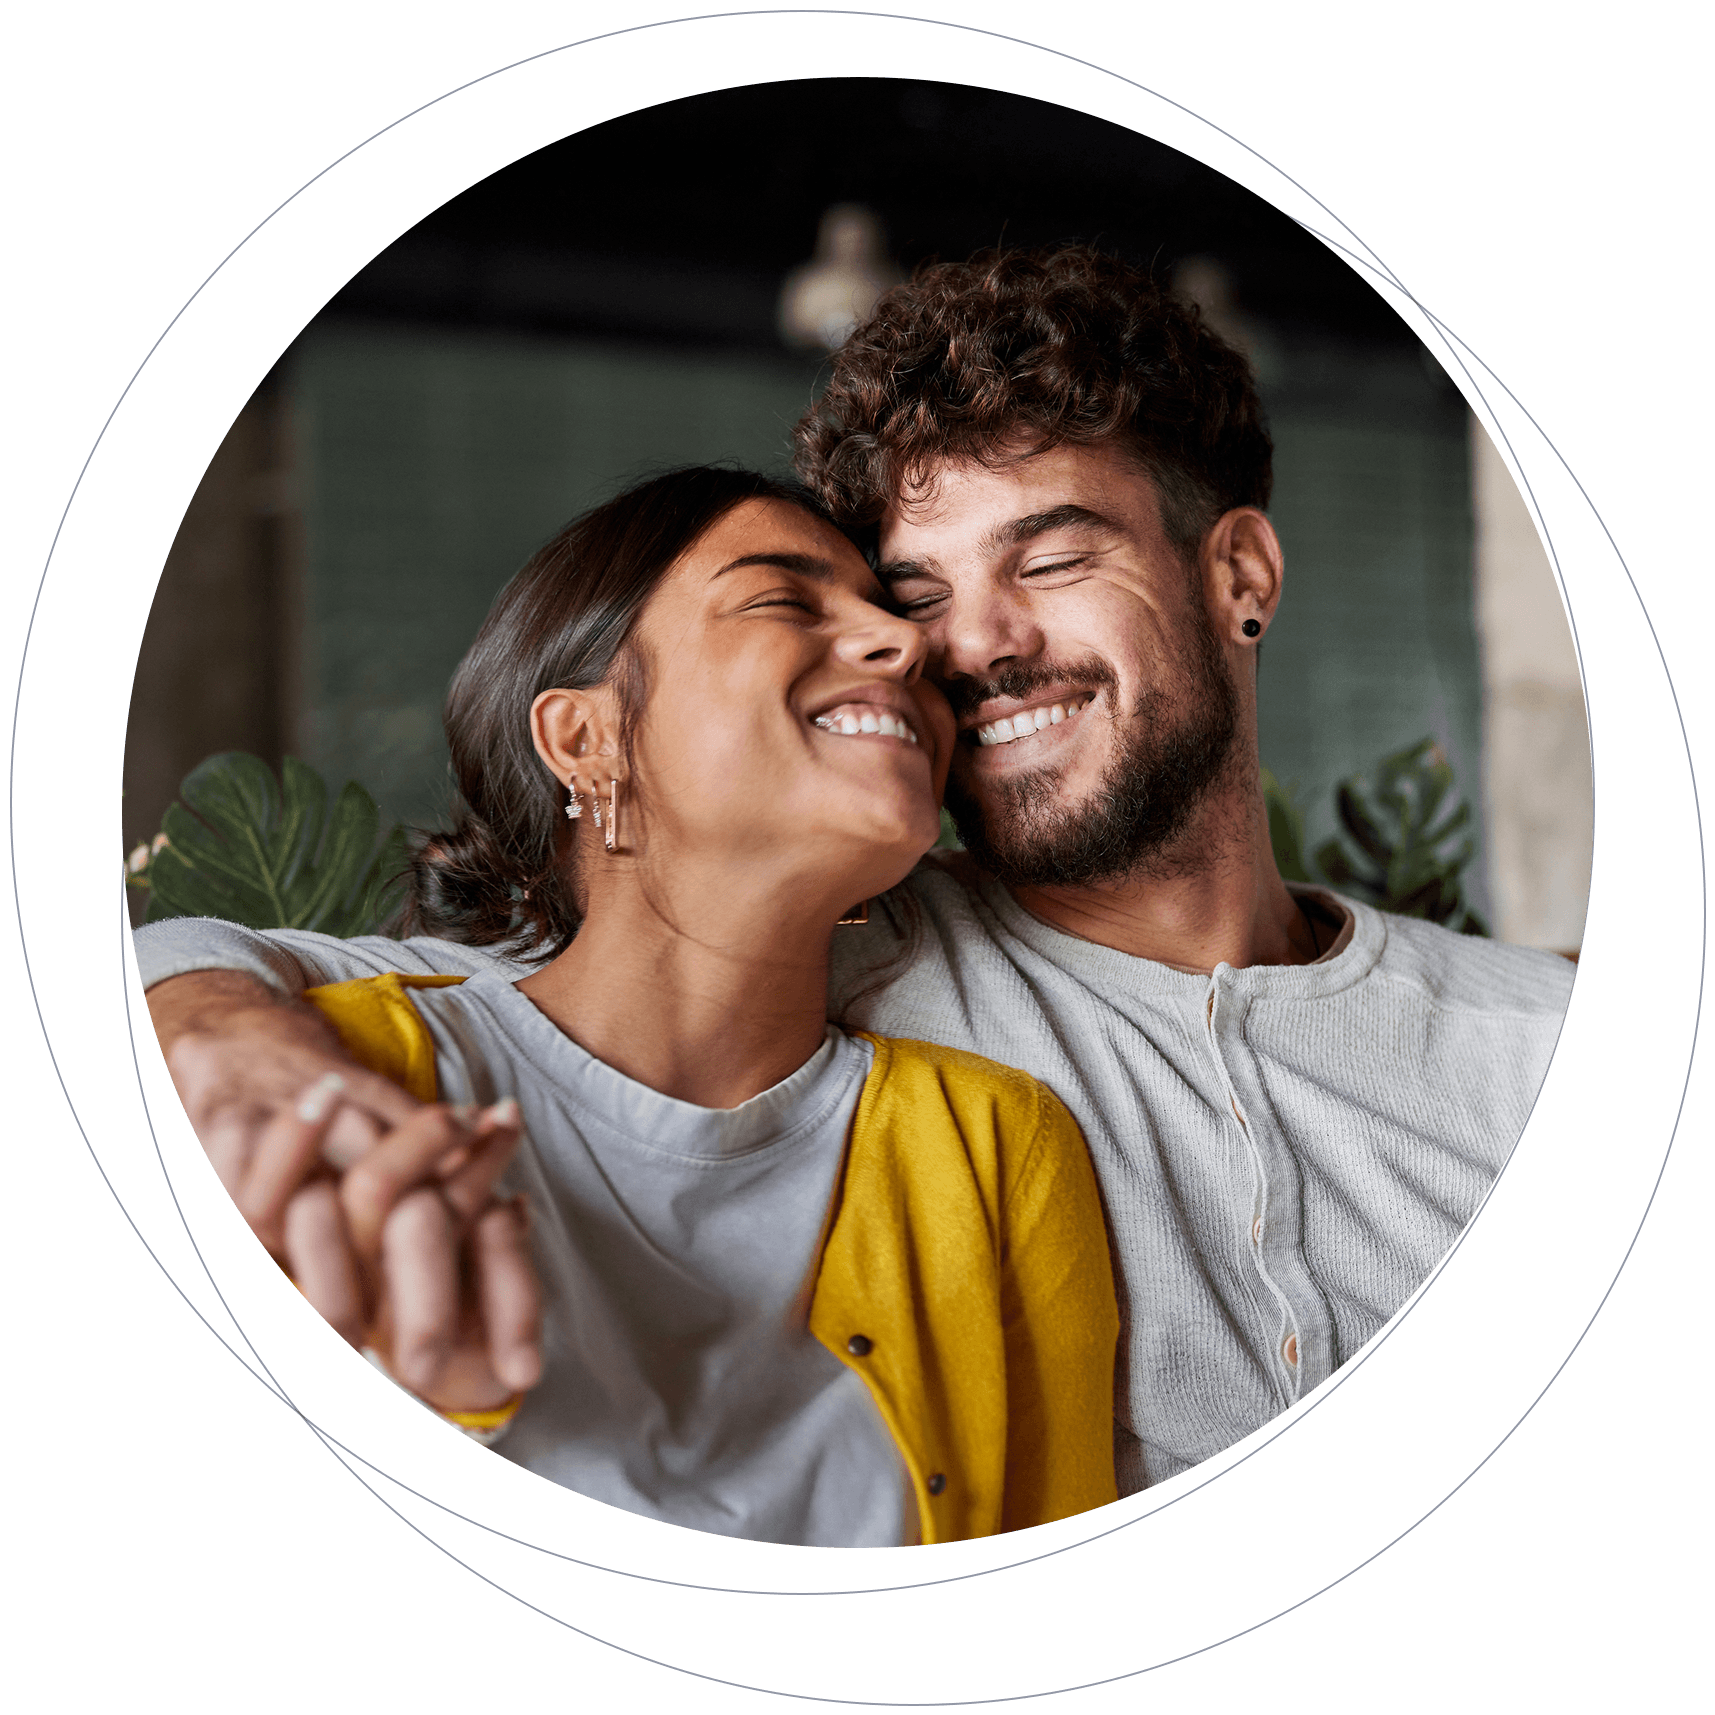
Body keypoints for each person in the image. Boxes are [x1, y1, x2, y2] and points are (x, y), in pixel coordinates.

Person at [138, 245, 1574, 1496]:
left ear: (1238, 577)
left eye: (1051, 557)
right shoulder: (835, 954)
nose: (966, 644)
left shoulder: (1520, 1043)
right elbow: (409, 994)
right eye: (918, 590)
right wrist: (239, 1054)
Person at [179, 463, 1119, 1547]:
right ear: (585, 739)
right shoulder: (332, 1081)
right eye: (782, 598)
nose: (911, 646)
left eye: (892, 613)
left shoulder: (994, 1147)